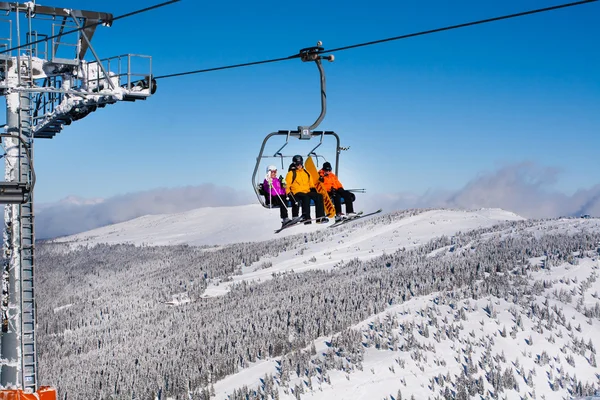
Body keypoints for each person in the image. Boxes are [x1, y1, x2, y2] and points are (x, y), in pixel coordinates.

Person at [285, 155, 328, 224]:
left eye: (300, 163)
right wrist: (289, 193)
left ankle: (320, 217)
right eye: (297, 164)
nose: (299, 165)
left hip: (307, 191)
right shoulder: (291, 173)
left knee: (319, 196)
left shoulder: (306, 173)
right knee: (306, 197)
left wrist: (313, 189)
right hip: (297, 192)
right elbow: (287, 185)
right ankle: (306, 217)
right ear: (294, 164)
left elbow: (311, 184)